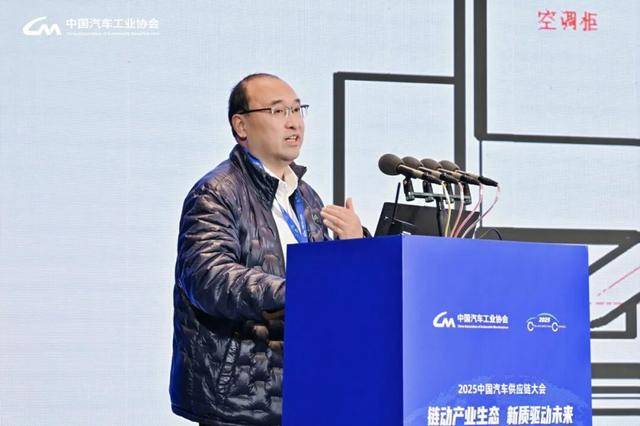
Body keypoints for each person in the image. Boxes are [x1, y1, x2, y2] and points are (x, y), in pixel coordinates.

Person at [170, 73, 365, 425]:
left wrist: (356, 246)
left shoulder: (306, 196)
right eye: (277, 111)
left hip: (304, 389)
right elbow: (210, 279)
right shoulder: (216, 192)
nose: (294, 122)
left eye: (297, 109)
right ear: (241, 125)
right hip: (238, 398)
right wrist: (298, 292)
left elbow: (327, 285)